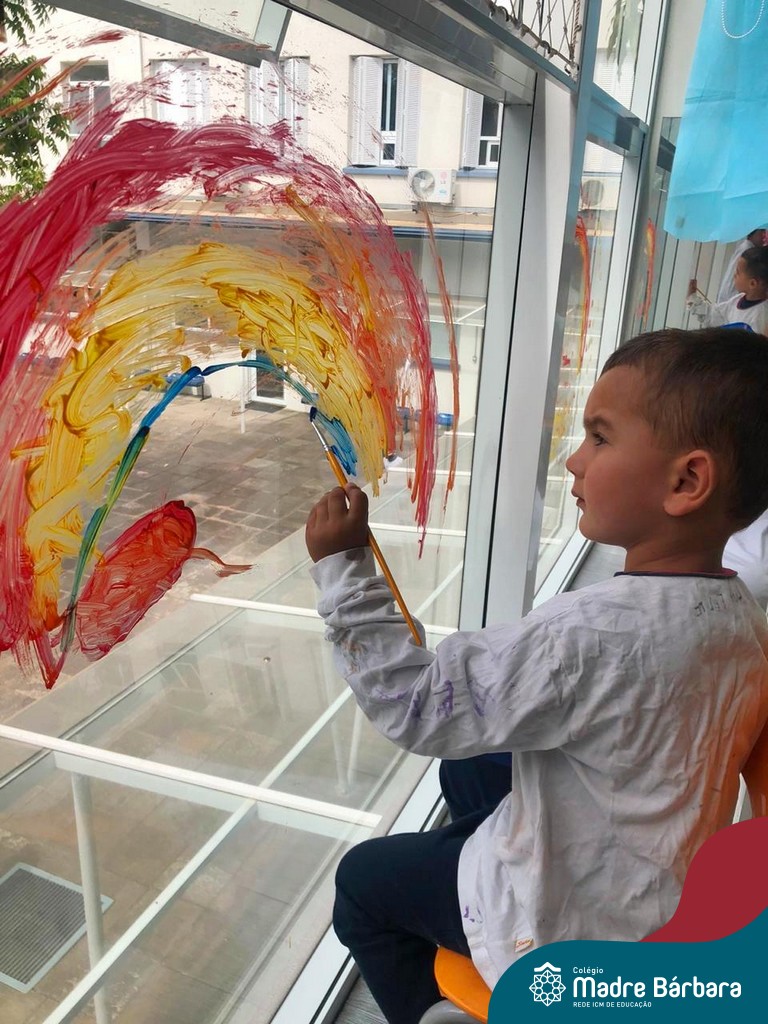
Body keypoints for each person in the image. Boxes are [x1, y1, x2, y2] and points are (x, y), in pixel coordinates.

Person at [305, 327, 768, 1024]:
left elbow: (418, 706)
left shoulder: (589, 633)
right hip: (663, 885)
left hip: (564, 927)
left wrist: (343, 572)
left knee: (362, 883)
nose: (574, 459)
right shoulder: (744, 618)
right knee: (470, 768)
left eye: (600, 438)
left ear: (686, 483)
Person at [688, 245, 768, 333]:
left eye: (738, 272)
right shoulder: (737, 300)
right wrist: (693, 299)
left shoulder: (760, 316)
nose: (734, 275)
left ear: (752, 283)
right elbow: (714, 315)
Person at [716, 228, 766, 304]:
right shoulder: (747, 251)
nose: (764, 235)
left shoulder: (749, 249)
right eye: (761, 231)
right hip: (732, 296)